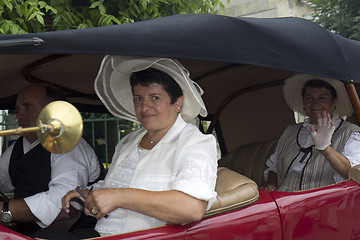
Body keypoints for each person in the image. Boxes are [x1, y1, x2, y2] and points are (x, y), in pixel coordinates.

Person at [62, 56, 218, 237]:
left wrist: (118, 197)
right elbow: (115, 184)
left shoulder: (195, 142)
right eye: (138, 98)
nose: (145, 107)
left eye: (155, 98)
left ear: (177, 102)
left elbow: (191, 208)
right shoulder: (128, 142)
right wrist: (89, 194)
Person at [0, 83, 102, 236]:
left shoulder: (68, 144)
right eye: (18, 108)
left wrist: (5, 210)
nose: (19, 115)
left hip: (68, 235)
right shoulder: (17, 147)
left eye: (28, 108)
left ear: (52, 112)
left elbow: (63, 200)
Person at [264, 74, 360, 192]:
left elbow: (354, 175)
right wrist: (272, 183)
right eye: (309, 98)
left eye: (322, 98)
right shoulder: (290, 131)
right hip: (283, 202)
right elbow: (274, 167)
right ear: (304, 103)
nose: (315, 103)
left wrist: (326, 149)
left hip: (324, 204)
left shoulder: (350, 133)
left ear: (333, 102)